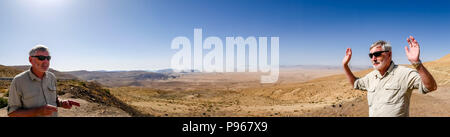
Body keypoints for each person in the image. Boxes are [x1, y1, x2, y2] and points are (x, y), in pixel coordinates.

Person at [342, 36, 437, 117]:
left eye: (377, 54)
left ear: (389, 54)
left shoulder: (404, 73)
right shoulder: (371, 76)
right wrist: (345, 66)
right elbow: (355, 83)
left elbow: (431, 87)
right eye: (371, 55)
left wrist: (417, 63)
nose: (373, 58)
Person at [7, 45, 80, 117]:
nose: (46, 61)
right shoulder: (18, 81)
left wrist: (62, 103)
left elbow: (54, 99)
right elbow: (12, 113)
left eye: (48, 58)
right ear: (30, 60)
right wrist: (37, 112)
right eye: (41, 58)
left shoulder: (52, 77)